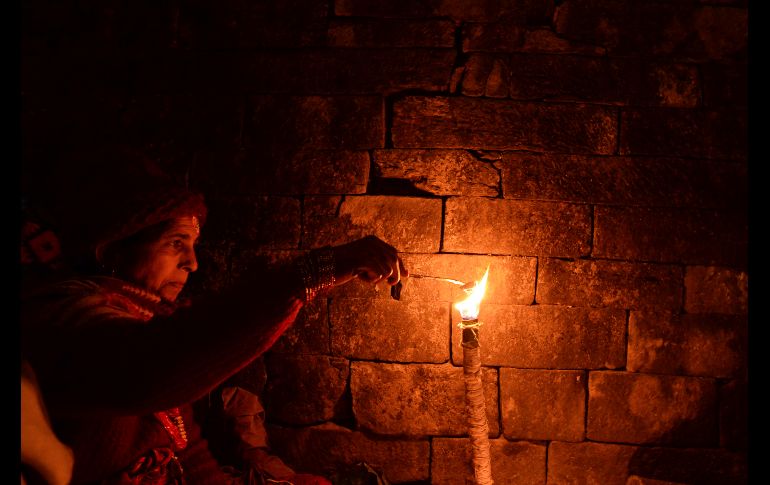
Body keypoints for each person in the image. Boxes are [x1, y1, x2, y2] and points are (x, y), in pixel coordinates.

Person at [20, 151, 407, 484]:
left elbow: (184, 452)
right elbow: (151, 368)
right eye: (176, 244)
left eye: (192, 246)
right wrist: (308, 275)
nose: (192, 263)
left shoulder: (142, 317)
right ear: (112, 249)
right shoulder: (59, 316)